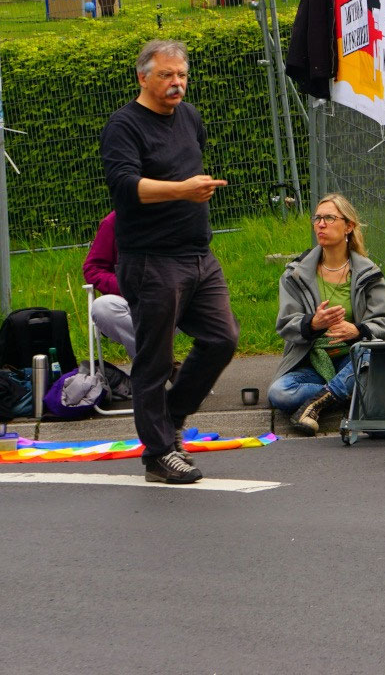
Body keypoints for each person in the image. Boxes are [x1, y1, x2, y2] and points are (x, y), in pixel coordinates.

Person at [100, 39, 239, 485]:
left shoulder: (190, 117)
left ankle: (172, 418)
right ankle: (158, 454)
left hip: (199, 253)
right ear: (143, 77)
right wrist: (181, 189)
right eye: (166, 75)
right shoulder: (124, 125)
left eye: (181, 74)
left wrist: (188, 192)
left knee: (222, 338)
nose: (176, 83)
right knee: (154, 361)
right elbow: (124, 187)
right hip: (152, 259)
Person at [270, 194, 385, 435]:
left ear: (348, 226)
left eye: (329, 218)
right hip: (311, 361)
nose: (321, 224)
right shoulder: (295, 274)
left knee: (368, 361)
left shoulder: (368, 273)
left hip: (353, 358)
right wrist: (313, 323)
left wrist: (357, 330)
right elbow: (285, 323)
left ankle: (315, 405)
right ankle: (343, 392)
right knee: (279, 392)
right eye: (317, 218)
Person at [82, 211, 137, 358]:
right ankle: (161, 363)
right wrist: (125, 287)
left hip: (170, 297)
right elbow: (93, 269)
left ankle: (152, 370)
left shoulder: (175, 215)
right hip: (130, 299)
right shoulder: (113, 222)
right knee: (103, 307)